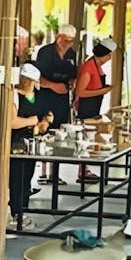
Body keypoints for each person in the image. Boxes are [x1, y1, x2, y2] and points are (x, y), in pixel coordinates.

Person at [8, 63, 53, 229]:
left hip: (32, 142)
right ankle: (16, 212)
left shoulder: (38, 95)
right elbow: (11, 122)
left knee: (27, 178)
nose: (28, 83)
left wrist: (45, 122)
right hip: (15, 143)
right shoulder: (13, 96)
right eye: (25, 80)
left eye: (31, 81)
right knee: (17, 179)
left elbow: (47, 114)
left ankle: (23, 210)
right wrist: (31, 121)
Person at [35, 24, 78, 185]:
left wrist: (72, 84)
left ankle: (54, 173)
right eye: (66, 40)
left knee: (59, 133)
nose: (68, 44)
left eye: (71, 41)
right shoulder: (45, 52)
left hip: (62, 99)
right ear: (58, 38)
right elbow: (38, 77)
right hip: (45, 96)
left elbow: (73, 74)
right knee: (44, 131)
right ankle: (44, 171)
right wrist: (53, 85)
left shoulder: (71, 54)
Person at [73, 38, 116, 183]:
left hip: (94, 107)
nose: (110, 58)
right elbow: (80, 92)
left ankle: (86, 169)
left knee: (90, 138)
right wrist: (103, 91)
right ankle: (82, 171)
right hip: (86, 108)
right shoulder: (88, 68)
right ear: (104, 54)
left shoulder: (97, 67)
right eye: (109, 54)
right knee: (86, 138)